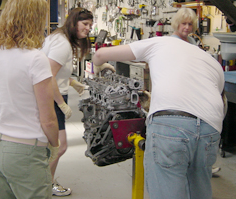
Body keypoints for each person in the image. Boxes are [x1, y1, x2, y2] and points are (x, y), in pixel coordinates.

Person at [93, 35, 225, 199]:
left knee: (167, 190)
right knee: (199, 188)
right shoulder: (211, 60)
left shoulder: (160, 42)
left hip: (171, 125)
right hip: (210, 127)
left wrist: (98, 65)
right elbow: (216, 95)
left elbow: (100, 54)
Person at [0, 0, 59, 199]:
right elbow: (48, 119)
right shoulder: (35, 58)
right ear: (36, 20)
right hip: (24, 151)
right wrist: (55, 145)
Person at [41, 7, 96, 196]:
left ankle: (45, 182)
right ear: (74, 22)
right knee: (60, 146)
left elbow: (52, 71)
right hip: (52, 97)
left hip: (52, 93)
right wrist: (61, 103)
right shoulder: (62, 44)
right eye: (85, 24)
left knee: (51, 147)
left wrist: (71, 82)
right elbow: (48, 75)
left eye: (90, 25)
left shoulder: (59, 38)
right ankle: (43, 184)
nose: (89, 28)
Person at [171, 7, 222, 176]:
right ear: (176, 24)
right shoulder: (171, 43)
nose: (186, 27)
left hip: (194, 91)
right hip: (179, 93)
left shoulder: (192, 42)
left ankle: (202, 166)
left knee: (199, 133)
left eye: (190, 24)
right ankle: (182, 166)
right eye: (183, 24)